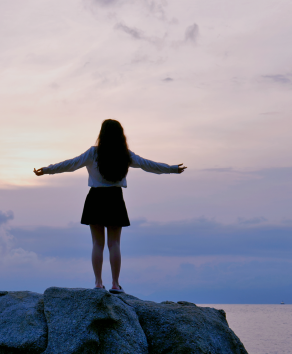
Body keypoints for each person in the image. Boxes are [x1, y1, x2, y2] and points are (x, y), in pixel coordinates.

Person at [33, 119, 186, 293]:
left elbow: (70, 164)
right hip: (115, 198)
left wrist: (46, 169)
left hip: (96, 198)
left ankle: (98, 283)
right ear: (120, 135)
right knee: (114, 244)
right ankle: (115, 284)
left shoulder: (93, 153)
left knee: (97, 244)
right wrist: (172, 169)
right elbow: (148, 165)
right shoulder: (124, 154)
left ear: (102, 134)